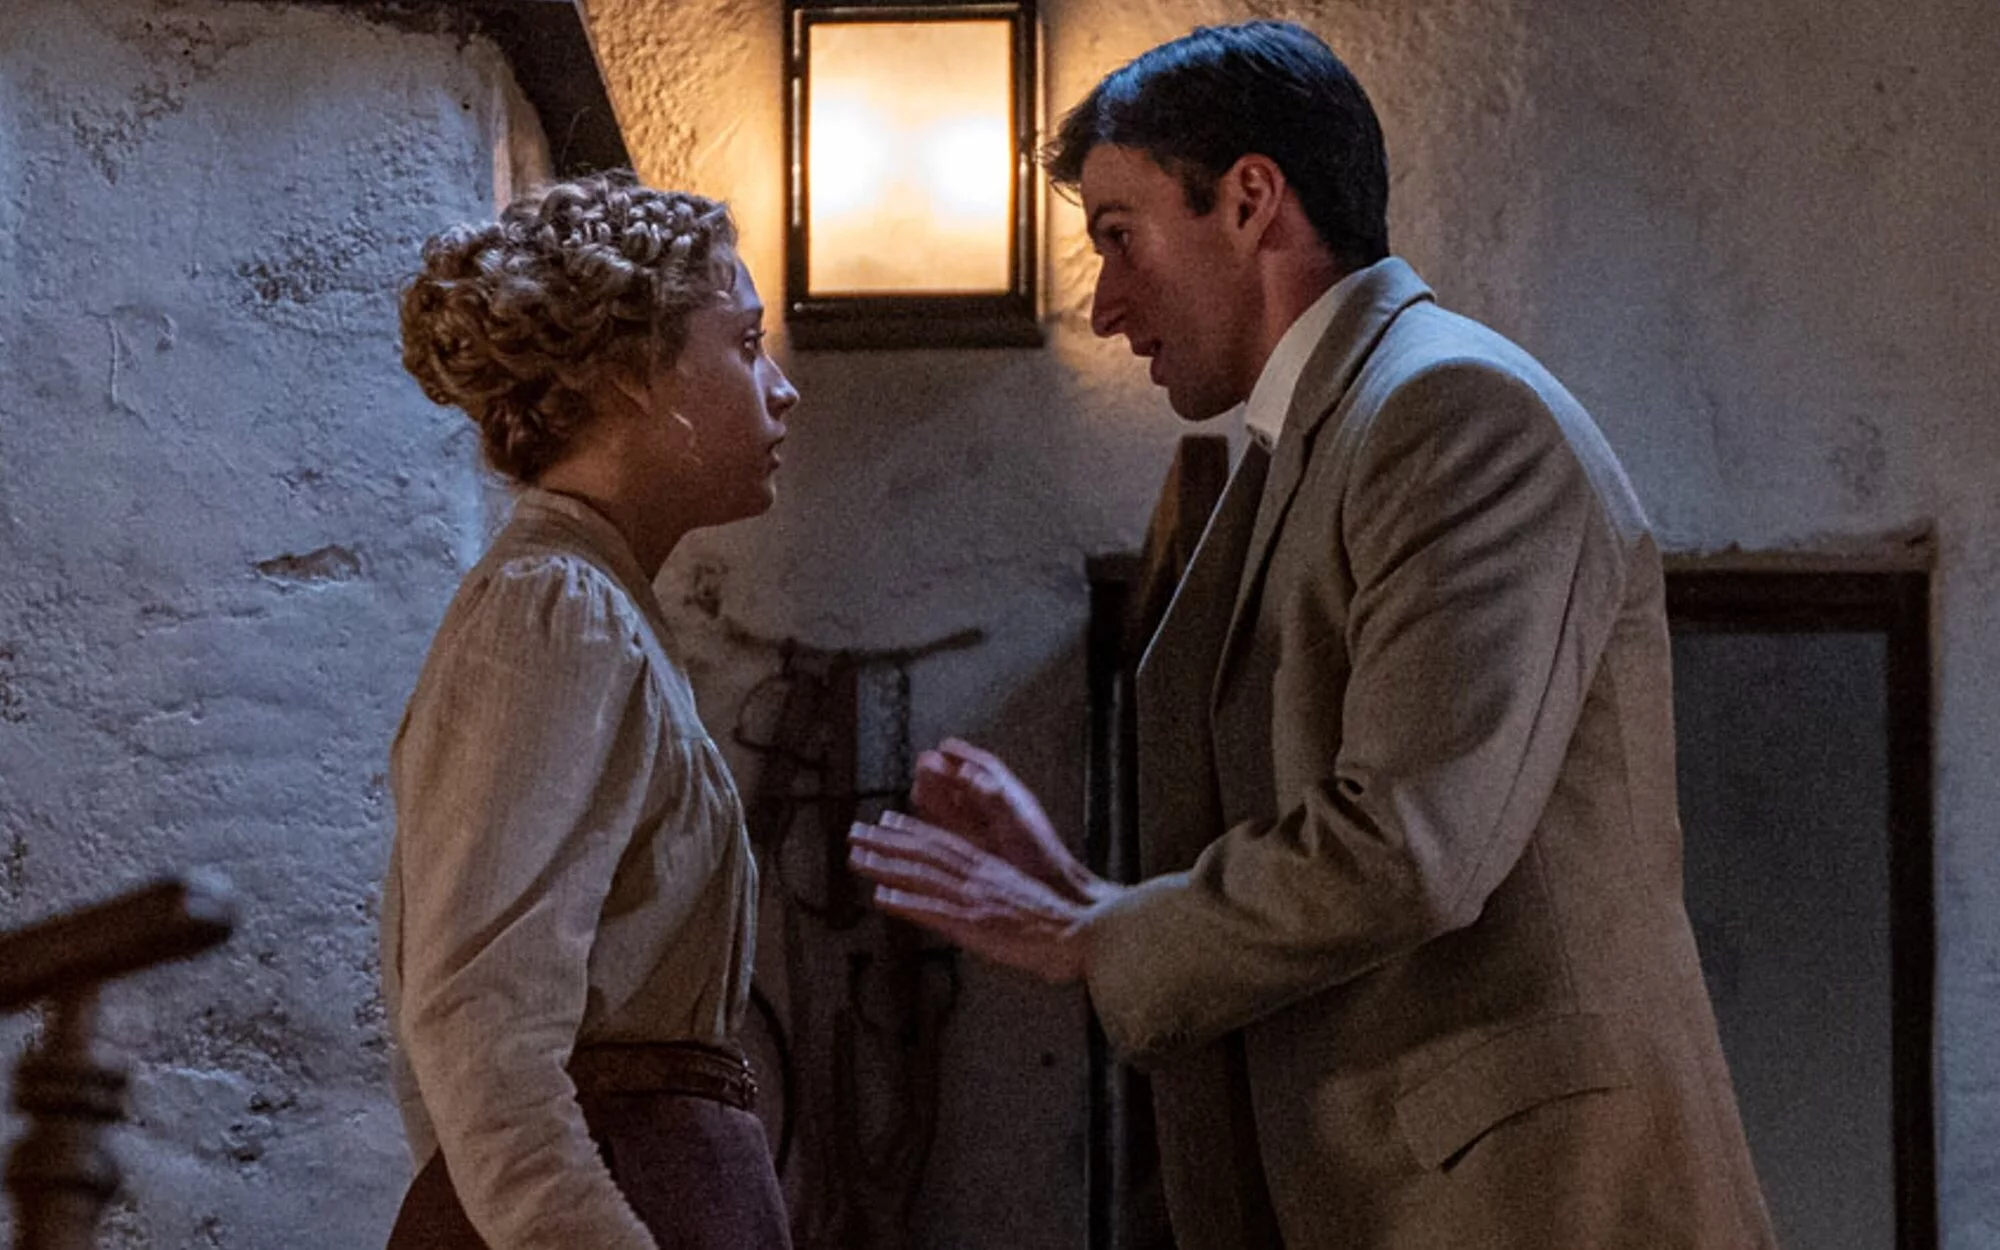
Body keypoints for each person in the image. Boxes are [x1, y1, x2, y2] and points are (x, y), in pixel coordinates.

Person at [848, 20, 1776, 1249]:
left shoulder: (1449, 409)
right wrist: (1093, 899)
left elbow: (1410, 840)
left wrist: (1095, 933)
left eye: (1119, 236)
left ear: (1248, 200)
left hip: (1534, 1206)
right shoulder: (1331, 431)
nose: (1105, 304)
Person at [379, 171, 799, 1249]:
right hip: (623, 1189)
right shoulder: (553, 609)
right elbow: (477, 1022)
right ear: (627, 377)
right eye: (747, 344)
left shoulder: (603, 605)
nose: (781, 389)